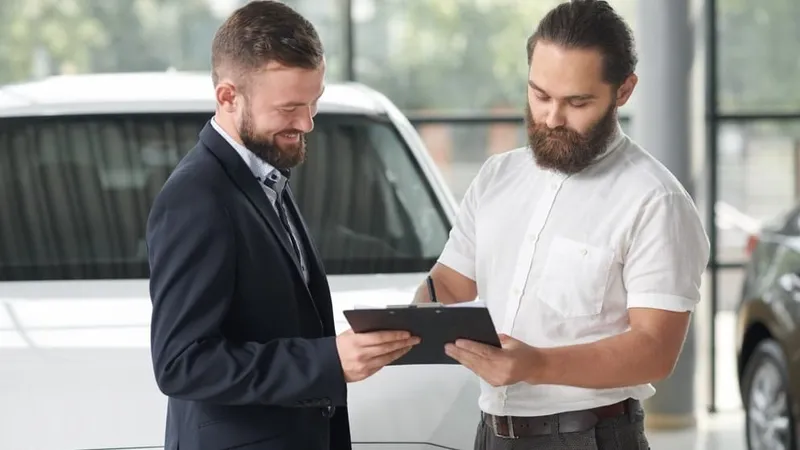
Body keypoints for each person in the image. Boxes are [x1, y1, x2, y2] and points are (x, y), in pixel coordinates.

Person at [413, 1, 710, 449]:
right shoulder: (498, 176)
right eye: (540, 95)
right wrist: (418, 314)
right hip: (491, 434)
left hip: (591, 437)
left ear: (624, 91)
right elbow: (451, 282)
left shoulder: (655, 200)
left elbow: (655, 350)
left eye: (577, 102)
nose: (552, 118)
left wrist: (533, 365)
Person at [145, 2, 420, 449]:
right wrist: (327, 361)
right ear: (228, 97)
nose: (307, 123)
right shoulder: (196, 199)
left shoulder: (264, 174)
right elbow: (181, 364)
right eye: (291, 107)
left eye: (314, 103)